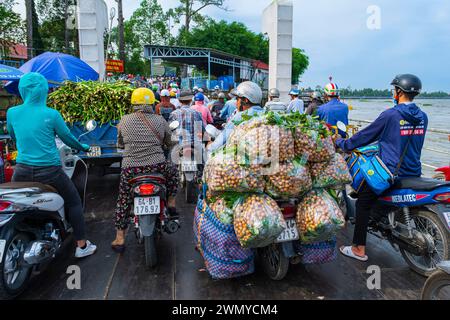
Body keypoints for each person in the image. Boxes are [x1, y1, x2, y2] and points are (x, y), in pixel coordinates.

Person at [336, 74, 428, 262]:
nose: (393, 92)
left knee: (363, 202)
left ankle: (358, 248)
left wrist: (342, 143)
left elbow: (365, 136)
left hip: (390, 173)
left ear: (399, 92)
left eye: (394, 89)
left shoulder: (391, 115)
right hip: (413, 171)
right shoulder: (423, 117)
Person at [6, 73, 97, 258]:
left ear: (23, 90)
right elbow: (68, 139)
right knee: (74, 202)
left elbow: (13, 136)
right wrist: (83, 147)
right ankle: (81, 245)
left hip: (21, 172)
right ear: (43, 90)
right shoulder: (51, 114)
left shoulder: (12, 112)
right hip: (50, 172)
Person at [112, 88, 179, 253]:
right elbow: (170, 142)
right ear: (151, 103)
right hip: (157, 165)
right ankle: (170, 202)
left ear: (134, 103)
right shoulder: (160, 121)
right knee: (173, 171)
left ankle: (120, 238)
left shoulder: (124, 120)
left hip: (130, 169)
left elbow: (120, 143)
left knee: (123, 200)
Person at [208, 81, 264, 153]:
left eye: (237, 99)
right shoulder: (265, 113)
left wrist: (209, 147)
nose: (236, 102)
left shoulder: (240, 116)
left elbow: (221, 141)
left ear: (246, 100)